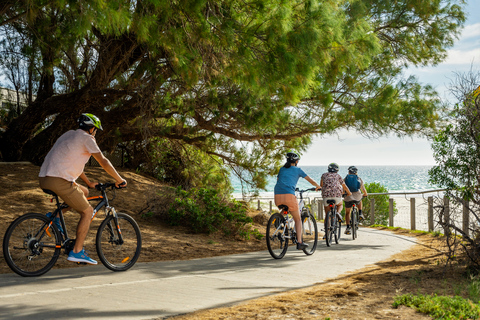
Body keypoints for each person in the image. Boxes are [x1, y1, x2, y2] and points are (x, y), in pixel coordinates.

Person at [39, 113, 127, 265]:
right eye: (96, 129)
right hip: (59, 180)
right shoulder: (87, 139)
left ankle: (55, 218)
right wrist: (120, 180)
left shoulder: (69, 135)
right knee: (87, 212)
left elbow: (71, 161)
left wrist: (88, 182)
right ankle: (77, 251)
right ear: (92, 128)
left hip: (45, 178)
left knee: (85, 192)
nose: (95, 132)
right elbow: (104, 162)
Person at [274, 152, 321, 250]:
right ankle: (299, 242)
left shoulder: (282, 169)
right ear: (296, 161)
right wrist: (318, 186)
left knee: (285, 207)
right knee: (298, 219)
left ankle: (279, 218)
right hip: (289, 195)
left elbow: (279, 180)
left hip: (277, 195)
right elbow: (310, 180)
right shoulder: (297, 170)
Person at [343, 166, 368, 235]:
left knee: (347, 213)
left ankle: (348, 227)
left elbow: (343, 188)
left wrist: (343, 194)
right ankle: (360, 213)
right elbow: (363, 189)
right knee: (360, 199)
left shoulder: (345, 179)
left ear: (349, 172)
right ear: (356, 172)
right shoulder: (359, 178)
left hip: (348, 196)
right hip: (357, 195)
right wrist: (365, 194)